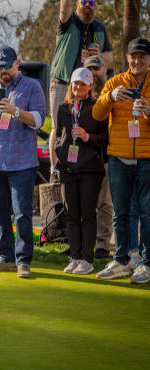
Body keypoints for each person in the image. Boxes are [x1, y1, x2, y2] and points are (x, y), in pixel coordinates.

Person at [0, 46, 46, 278]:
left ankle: (23, 260)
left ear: (17, 63)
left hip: (22, 162)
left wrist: (15, 112)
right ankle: (4, 256)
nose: (4, 71)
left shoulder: (32, 86)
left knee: (22, 213)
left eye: (7, 67)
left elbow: (39, 120)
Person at [93, 37, 150, 284]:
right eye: (133, 56)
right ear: (127, 58)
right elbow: (96, 114)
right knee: (121, 213)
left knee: (148, 214)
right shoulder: (115, 82)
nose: (137, 61)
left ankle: (146, 264)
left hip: (147, 158)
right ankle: (121, 261)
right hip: (118, 157)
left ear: (149, 59)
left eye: (142, 57)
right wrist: (110, 97)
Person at [51, 68, 108, 275]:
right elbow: (59, 135)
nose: (78, 87)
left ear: (90, 86)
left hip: (90, 169)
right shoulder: (64, 108)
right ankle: (75, 257)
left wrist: (86, 137)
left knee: (87, 214)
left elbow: (104, 138)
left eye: (83, 84)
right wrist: (58, 154)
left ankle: (87, 259)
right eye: (76, 83)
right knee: (71, 215)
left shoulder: (97, 107)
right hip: (68, 169)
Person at [49, 0, 113, 160]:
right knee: (58, 128)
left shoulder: (99, 27)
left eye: (91, 2)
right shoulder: (68, 21)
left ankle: (83, 164)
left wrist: (99, 56)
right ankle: (55, 169)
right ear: (76, 3)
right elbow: (63, 9)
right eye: (83, 1)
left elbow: (109, 56)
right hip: (63, 82)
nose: (87, 5)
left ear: (95, 5)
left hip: (89, 87)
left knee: (89, 127)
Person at [84, 55, 113, 259]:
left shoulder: (113, 91)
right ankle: (84, 243)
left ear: (104, 69)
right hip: (86, 158)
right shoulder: (81, 94)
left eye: (97, 69)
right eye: (90, 69)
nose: (94, 73)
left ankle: (102, 245)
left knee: (104, 204)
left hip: (107, 156)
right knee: (86, 204)